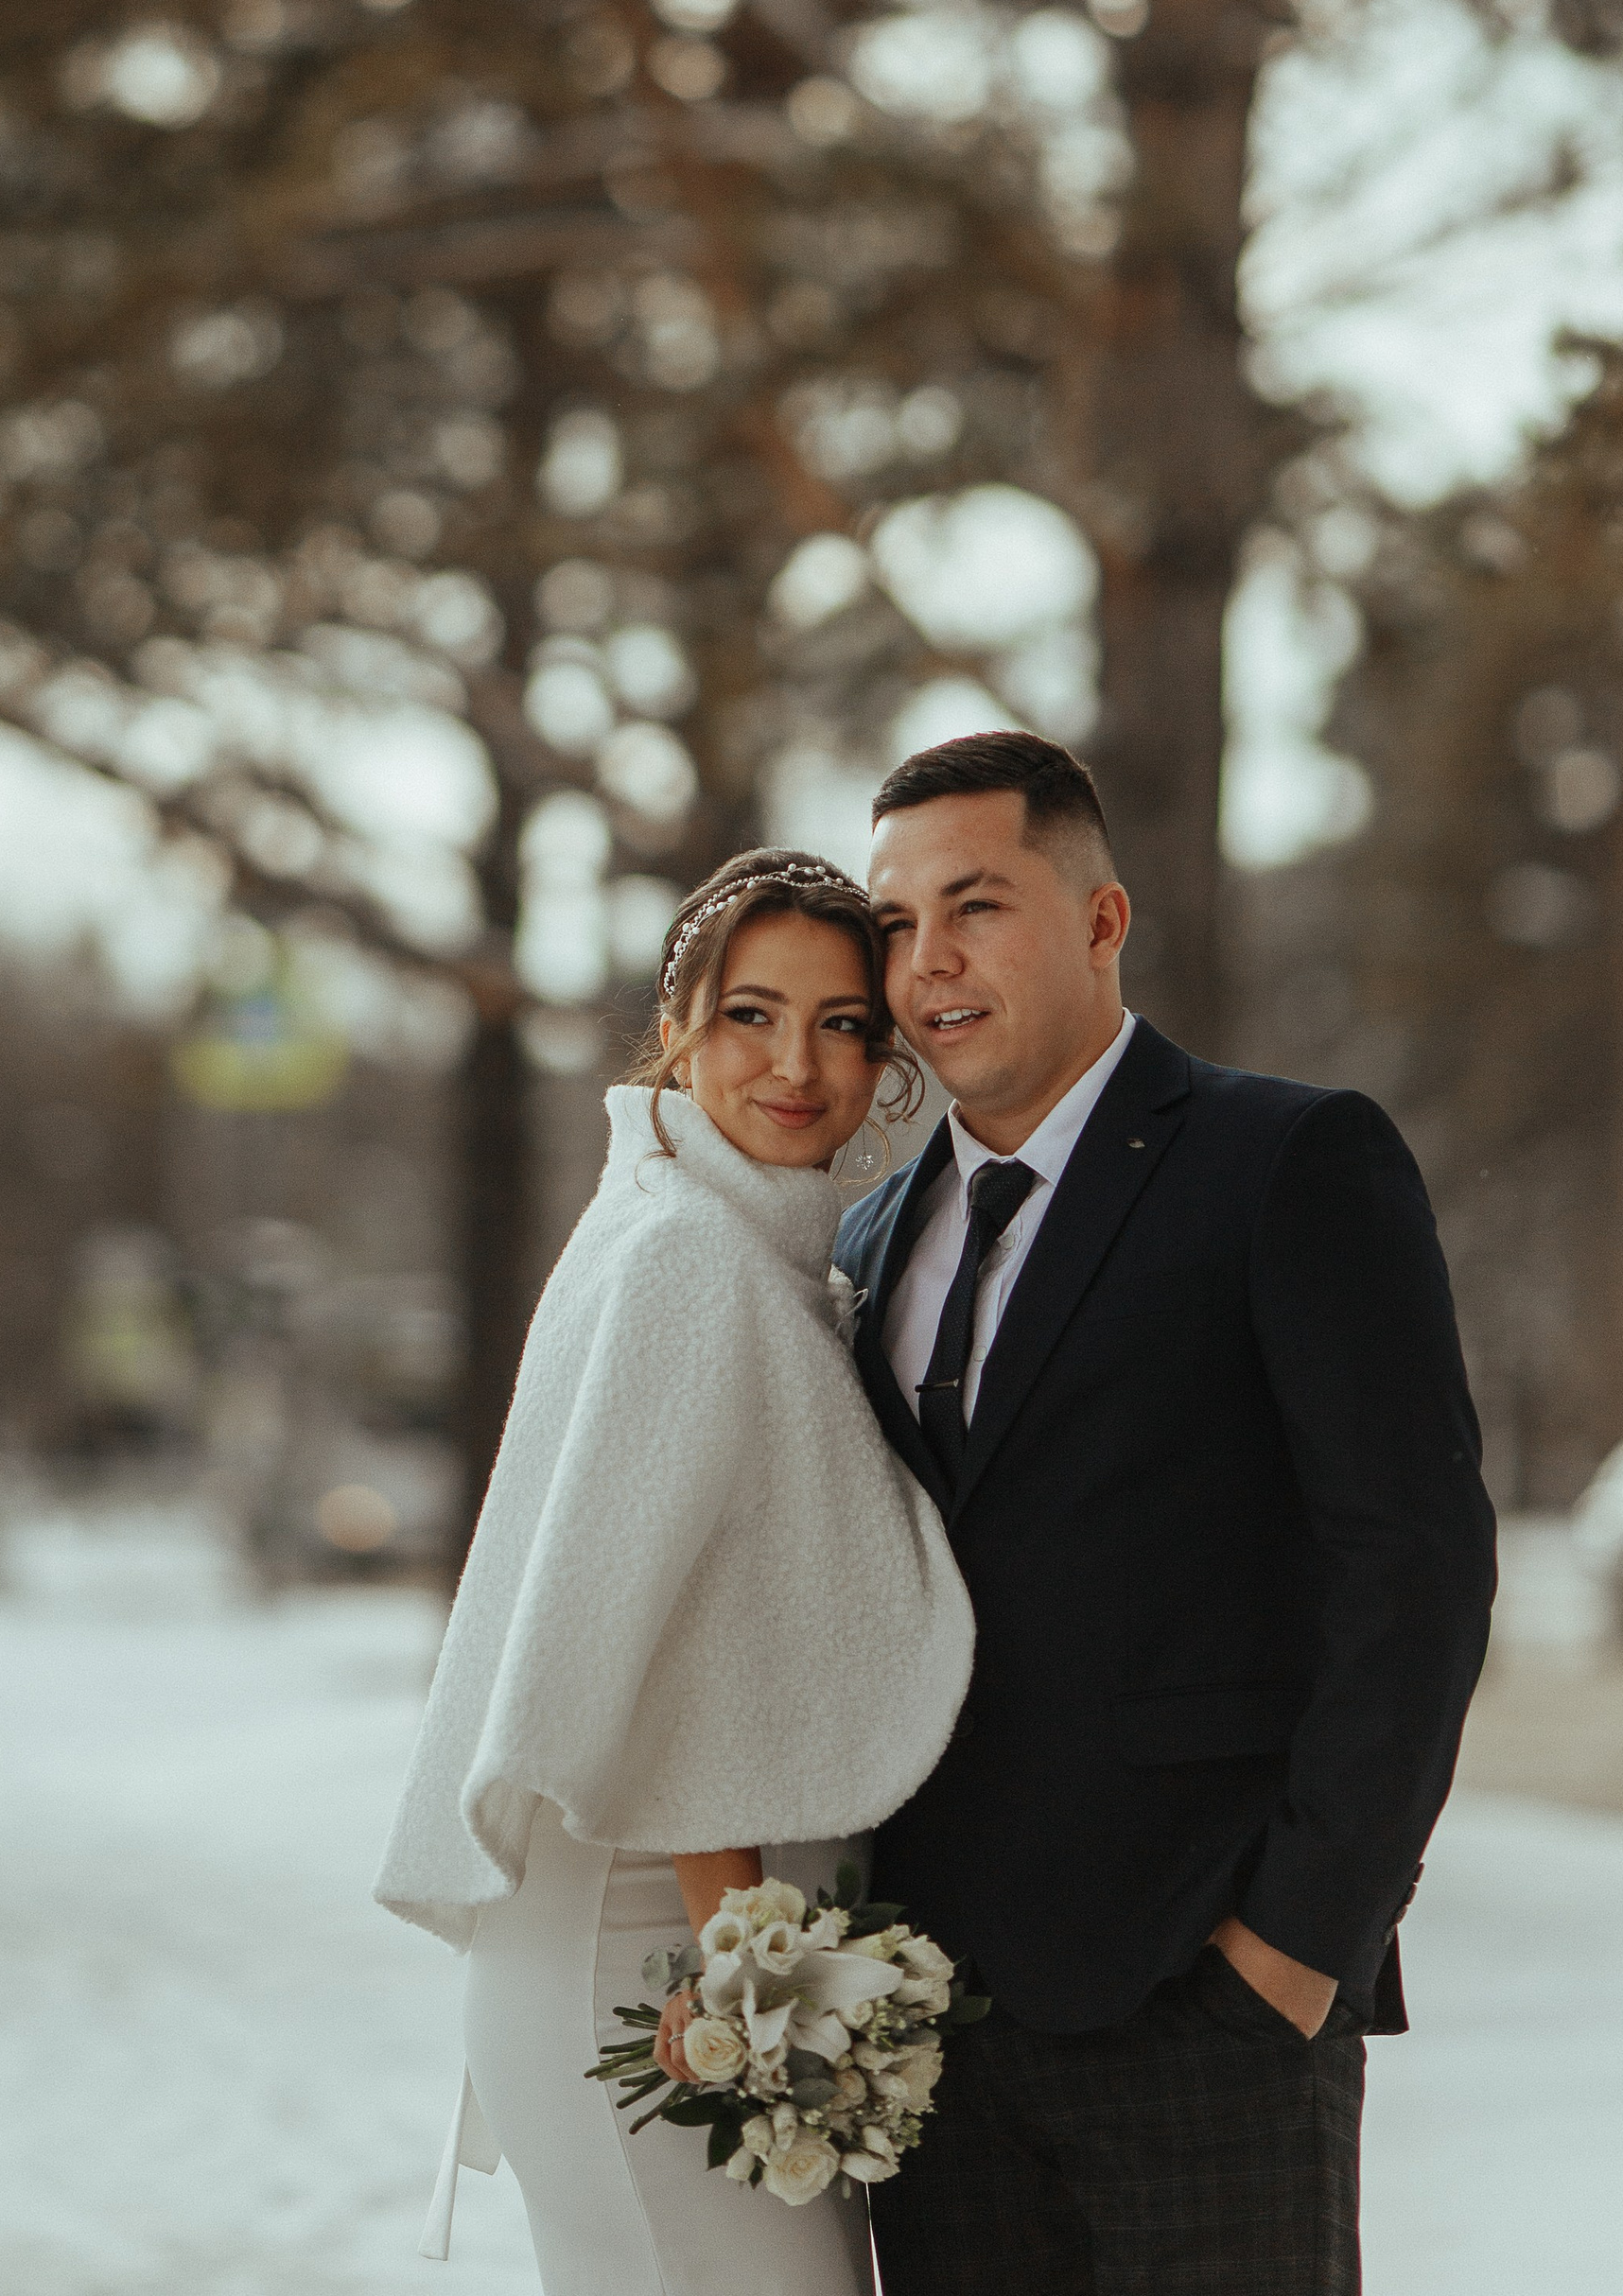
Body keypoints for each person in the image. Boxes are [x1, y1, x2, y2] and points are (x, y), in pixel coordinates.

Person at [836, 730, 1498, 2296]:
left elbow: (1417, 1565)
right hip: (936, 2031)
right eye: (895, 920)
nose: (929, 959)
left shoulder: (1287, 1159)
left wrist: (1297, 1943)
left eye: (977, 903)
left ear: (1100, 918)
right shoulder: (868, 1228)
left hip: (1204, 1997)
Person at [376, 848, 974, 2296]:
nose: (796, 1064)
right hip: (658, 1951)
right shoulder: (688, 1260)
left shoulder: (718, 1237)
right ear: (679, 1030)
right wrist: (754, 1980)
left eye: (842, 1024)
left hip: (693, 1940)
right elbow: (657, 1645)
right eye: (750, 1017)